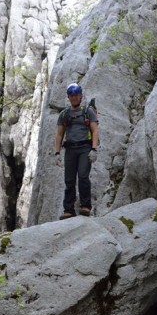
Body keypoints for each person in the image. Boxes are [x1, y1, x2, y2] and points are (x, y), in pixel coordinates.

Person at [55, 83, 99, 219]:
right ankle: (68, 209)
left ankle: (85, 206)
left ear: (81, 96)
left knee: (83, 176)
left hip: (85, 148)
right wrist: (57, 152)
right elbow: (59, 134)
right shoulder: (64, 114)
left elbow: (95, 130)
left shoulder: (88, 111)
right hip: (70, 149)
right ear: (69, 97)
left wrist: (94, 149)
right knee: (69, 180)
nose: (74, 98)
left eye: (76, 95)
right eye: (71, 96)